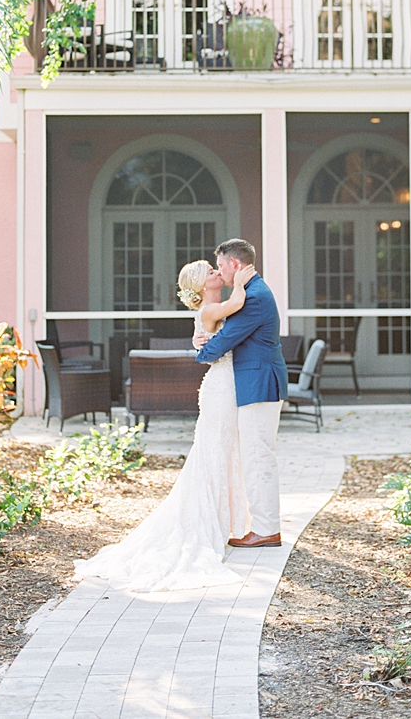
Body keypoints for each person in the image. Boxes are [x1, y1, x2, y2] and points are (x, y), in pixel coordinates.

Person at [73, 260, 255, 591]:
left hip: (227, 385)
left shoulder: (212, 309)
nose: (218, 272)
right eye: (211, 271)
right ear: (202, 286)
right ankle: (212, 523)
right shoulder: (211, 309)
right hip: (220, 389)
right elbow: (238, 302)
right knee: (215, 452)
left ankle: (223, 521)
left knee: (222, 452)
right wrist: (243, 279)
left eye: (216, 269)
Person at [194, 239, 288, 549]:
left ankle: (266, 529)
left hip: (259, 385)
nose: (219, 271)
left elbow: (224, 341)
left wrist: (202, 351)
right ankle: (264, 526)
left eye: (221, 265)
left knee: (258, 457)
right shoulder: (249, 292)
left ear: (234, 264)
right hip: (254, 384)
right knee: (256, 455)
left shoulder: (254, 297)